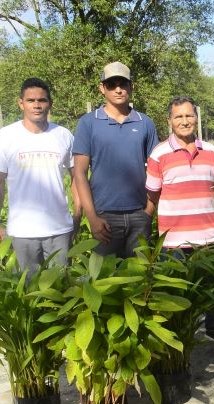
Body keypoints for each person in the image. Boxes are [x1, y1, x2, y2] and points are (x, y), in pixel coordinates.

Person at [0, 77, 79, 271]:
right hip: (22, 231)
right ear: (21, 103)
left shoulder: (64, 135)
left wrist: (77, 216)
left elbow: (77, 178)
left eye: (42, 100)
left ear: (49, 103)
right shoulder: (6, 136)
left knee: (61, 286)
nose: (37, 105)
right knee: (28, 290)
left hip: (59, 229)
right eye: (31, 100)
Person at [72, 61, 160, 257]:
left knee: (139, 279)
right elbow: (79, 173)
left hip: (139, 214)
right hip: (104, 217)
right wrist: (92, 217)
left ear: (131, 87)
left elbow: (157, 170)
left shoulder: (145, 123)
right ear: (102, 88)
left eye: (123, 84)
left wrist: (148, 211)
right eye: (112, 84)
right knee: (105, 280)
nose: (118, 89)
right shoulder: (88, 123)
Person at [146, 97, 214, 249]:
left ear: (196, 118)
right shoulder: (158, 154)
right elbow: (152, 197)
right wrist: (145, 229)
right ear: (169, 121)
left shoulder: (211, 151)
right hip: (173, 244)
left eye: (189, 116)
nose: (185, 122)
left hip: (209, 241)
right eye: (178, 117)